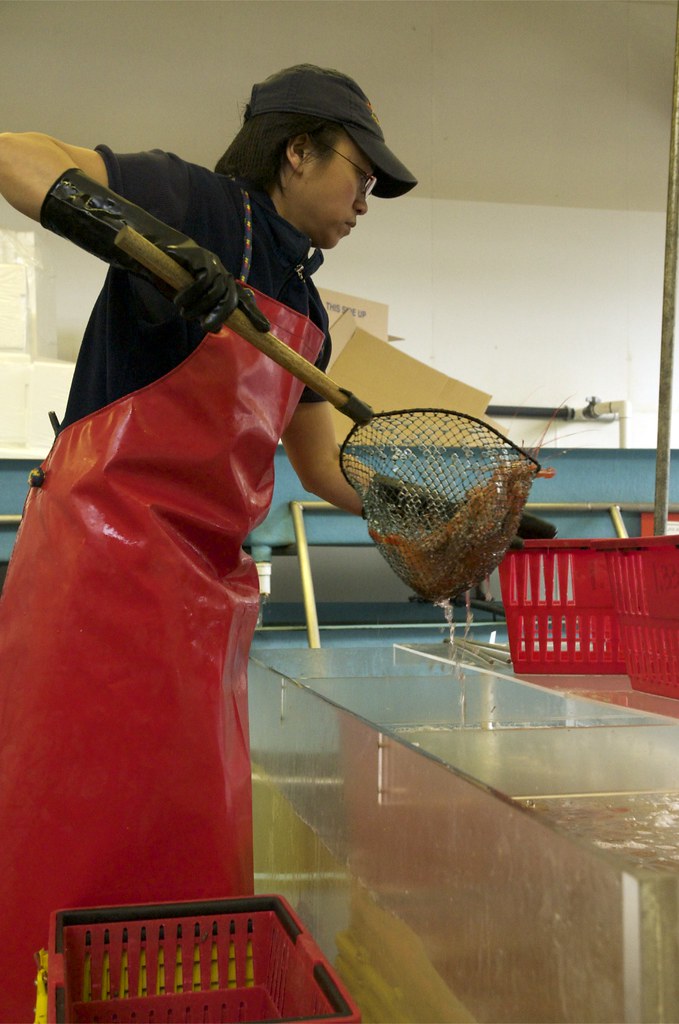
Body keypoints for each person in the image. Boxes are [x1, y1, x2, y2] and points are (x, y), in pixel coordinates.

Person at [0, 64, 416, 1020]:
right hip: (93, 581)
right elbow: (19, 159)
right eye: (359, 173)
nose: (364, 200)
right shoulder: (195, 201)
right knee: (71, 836)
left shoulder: (306, 316)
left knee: (188, 840)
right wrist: (136, 241)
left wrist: (426, 501)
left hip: (202, 608)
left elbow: (321, 467)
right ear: (297, 148)